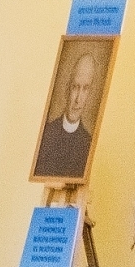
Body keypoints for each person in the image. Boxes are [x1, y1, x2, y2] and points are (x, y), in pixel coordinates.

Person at [34, 51, 99, 181]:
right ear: (67, 88)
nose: (78, 99)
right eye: (75, 87)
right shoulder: (47, 134)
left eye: (85, 89)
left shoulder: (88, 143)